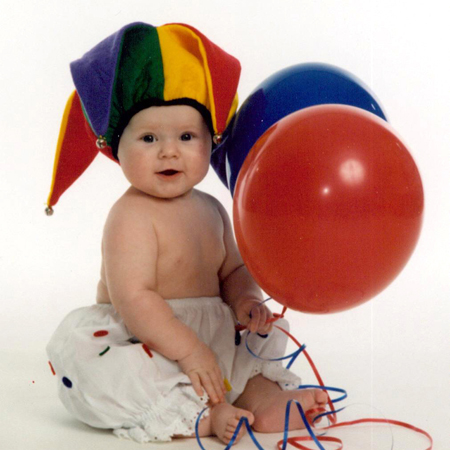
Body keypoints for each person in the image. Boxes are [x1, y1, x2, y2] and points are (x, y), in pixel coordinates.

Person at [45, 22, 327, 445]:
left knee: (243, 353)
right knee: (121, 372)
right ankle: (206, 415)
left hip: (212, 336)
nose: (169, 150)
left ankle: (260, 398)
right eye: (148, 138)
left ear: (210, 142)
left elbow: (232, 270)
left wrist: (245, 300)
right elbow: (134, 297)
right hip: (148, 337)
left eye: (187, 136)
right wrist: (189, 351)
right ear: (115, 150)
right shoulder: (130, 217)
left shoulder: (211, 209)